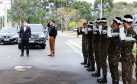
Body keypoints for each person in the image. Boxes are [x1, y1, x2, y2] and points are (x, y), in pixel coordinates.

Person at [121, 15, 136, 84]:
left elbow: (127, 44)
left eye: (123, 22)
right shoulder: (126, 32)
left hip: (128, 58)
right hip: (124, 57)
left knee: (127, 77)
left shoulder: (131, 32)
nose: (122, 24)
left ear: (125, 22)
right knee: (124, 76)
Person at [108, 17, 122, 84]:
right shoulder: (113, 30)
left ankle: (116, 82)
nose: (112, 23)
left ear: (116, 23)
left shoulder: (119, 32)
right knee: (111, 69)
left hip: (115, 53)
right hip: (111, 52)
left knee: (114, 69)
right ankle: (114, 81)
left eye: (113, 22)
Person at [97, 18, 108, 83]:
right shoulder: (102, 29)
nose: (100, 24)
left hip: (104, 48)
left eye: (101, 23)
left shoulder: (107, 29)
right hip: (101, 48)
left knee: (103, 63)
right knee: (102, 62)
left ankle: (105, 77)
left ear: (103, 23)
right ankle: (103, 76)